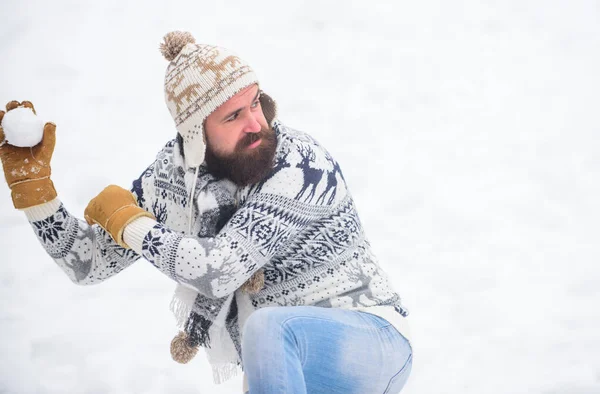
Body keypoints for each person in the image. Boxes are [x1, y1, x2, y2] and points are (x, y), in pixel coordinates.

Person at [0, 31, 413, 394]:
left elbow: (220, 270)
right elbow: (86, 263)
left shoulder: (300, 163)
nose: (256, 123)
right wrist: (36, 193)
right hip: (285, 367)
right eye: (233, 115)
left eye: (255, 104)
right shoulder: (175, 178)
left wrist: (131, 223)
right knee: (267, 331)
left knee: (268, 327)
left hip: (370, 340)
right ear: (196, 133)